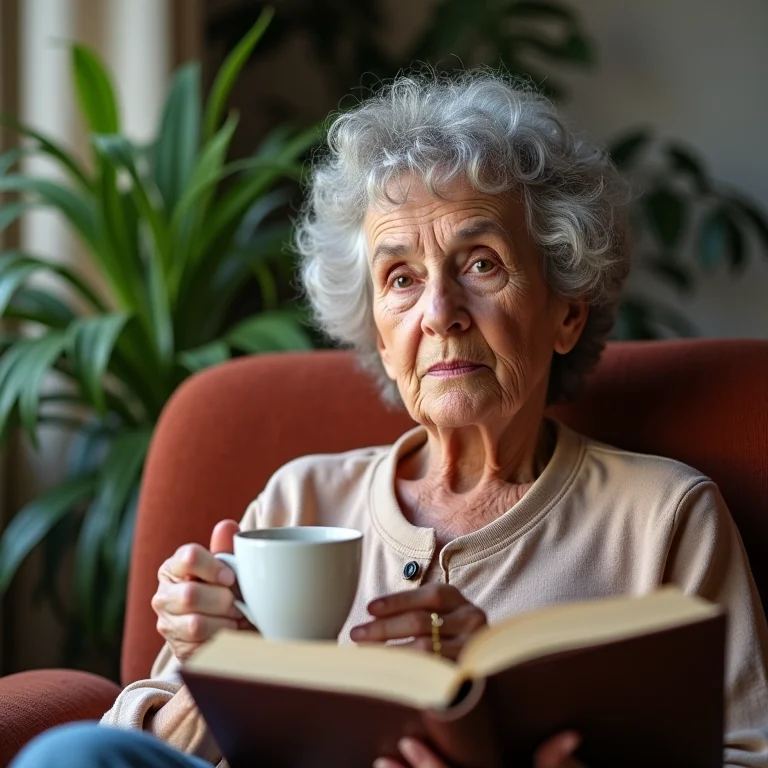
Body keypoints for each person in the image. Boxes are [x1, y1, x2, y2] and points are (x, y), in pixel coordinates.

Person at [11, 71, 768, 768]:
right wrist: (222, 682)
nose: (439, 314)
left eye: (480, 263)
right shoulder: (298, 505)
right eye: (400, 279)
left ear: (566, 310)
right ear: (378, 332)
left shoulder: (663, 519)